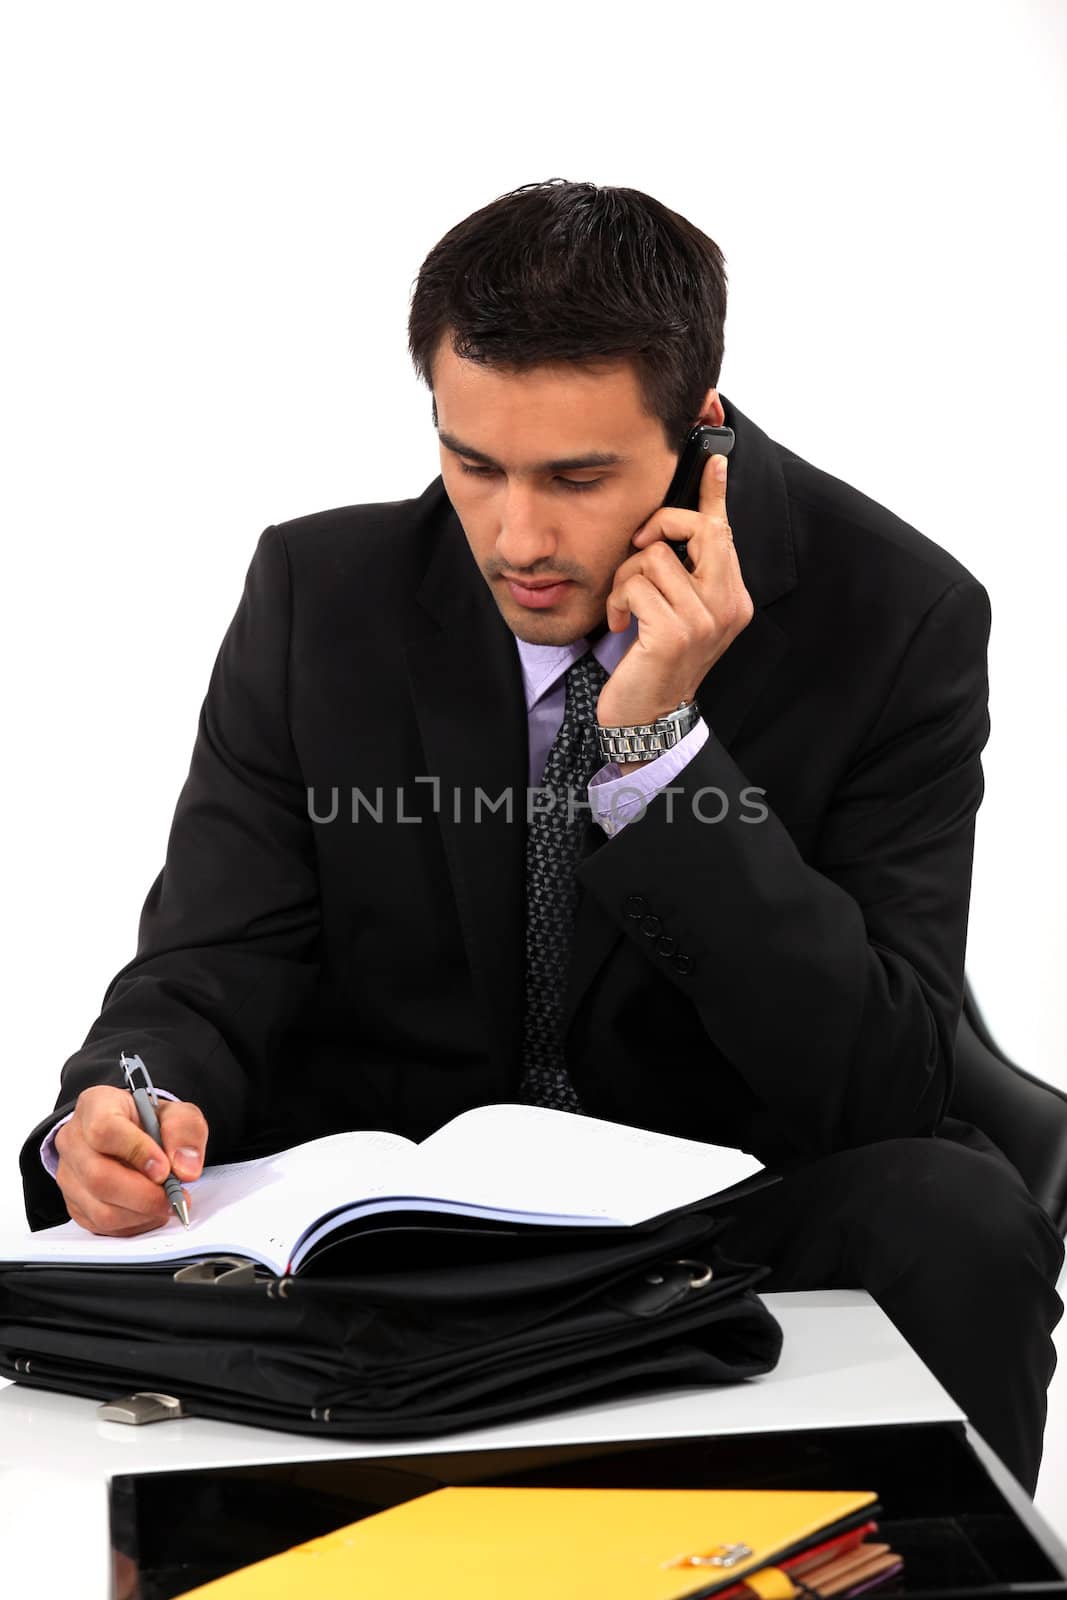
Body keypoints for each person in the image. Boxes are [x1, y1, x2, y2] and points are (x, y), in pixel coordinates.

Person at [19, 179, 1063, 1493]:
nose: (517, 539)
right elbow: (210, 968)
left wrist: (658, 749)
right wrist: (125, 1098)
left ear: (702, 438)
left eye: (576, 477)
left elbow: (886, 1084)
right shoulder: (318, 596)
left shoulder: (894, 617)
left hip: (719, 1208)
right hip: (403, 1231)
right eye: (474, 465)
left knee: (958, 1216)